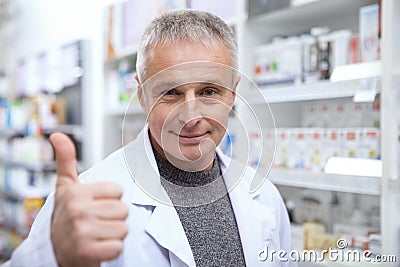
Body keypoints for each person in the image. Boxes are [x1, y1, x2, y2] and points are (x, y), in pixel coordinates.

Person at [4, 9, 295, 267]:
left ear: (232, 94)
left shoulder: (264, 196)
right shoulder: (83, 204)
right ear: (141, 95)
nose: (191, 116)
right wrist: (54, 258)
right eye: (170, 93)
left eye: (209, 92)